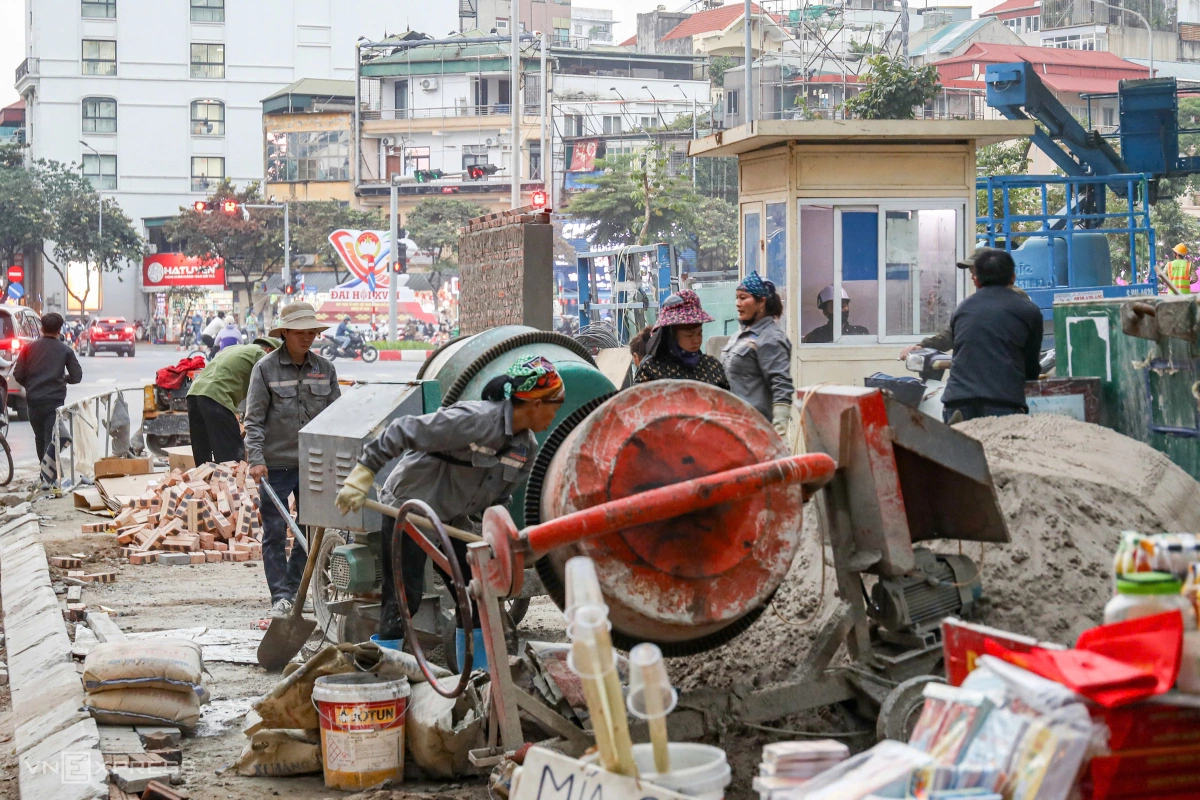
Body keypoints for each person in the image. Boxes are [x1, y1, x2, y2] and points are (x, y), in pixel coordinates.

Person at [335, 356, 564, 671]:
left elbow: (496, 501)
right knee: (404, 598)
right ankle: (378, 676)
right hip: (411, 508)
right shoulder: (474, 420)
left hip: (453, 520)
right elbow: (402, 430)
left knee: (476, 594)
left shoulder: (525, 449)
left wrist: (500, 538)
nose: (557, 411)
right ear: (535, 403)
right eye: (556, 402)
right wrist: (362, 473)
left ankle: (479, 678)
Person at [243, 303, 341, 618]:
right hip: (275, 465)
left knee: (311, 529)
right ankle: (280, 597)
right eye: (300, 332)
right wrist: (255, 459)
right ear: (284, 333)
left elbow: (338, 417)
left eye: (311, 332)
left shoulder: (325, 369)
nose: (307, 338)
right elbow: (254, 420)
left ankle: (295, 590)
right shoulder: (265, 369)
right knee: (274, 530)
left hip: (313, 464)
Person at [940, 248, 1043, 424]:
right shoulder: (1028, 310)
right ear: (1013, 278)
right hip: (1003, 402)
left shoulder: (962, 309)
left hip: (957, 400)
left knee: (961, 449)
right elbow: (1031, 366)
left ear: (977, 280)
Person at [899, 247, 1032, 360]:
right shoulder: (974, 304)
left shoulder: (1014, 298)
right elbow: (952, 334)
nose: (972, 277)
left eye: (976, 272)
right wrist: (923, 346)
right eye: (972, 272)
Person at [187, 336, 281, 465]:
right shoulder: (262, 355)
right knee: (231, 457)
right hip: (216, 396)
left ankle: (204, 482)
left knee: (203, 454)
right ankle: (231, 484)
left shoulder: (234, 349)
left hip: (194, 393)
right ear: (269, 350)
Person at [722, 273, 794, 435]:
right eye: (736, 298)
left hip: (756, 432)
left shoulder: (771, 338)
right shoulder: (739, 336)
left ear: (761, 302)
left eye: (743, 298)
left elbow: (781, 386)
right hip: (735, 429)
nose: (737, 304)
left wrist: (779, 434)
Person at [13, 313, 83, 477]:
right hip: (54, 401)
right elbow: (77, 376)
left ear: (41, 328)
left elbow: (18, 374)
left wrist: (31, 385)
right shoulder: (65, 350)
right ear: (59, 330)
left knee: (39, 437)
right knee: (50, 438)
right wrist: (62, 379)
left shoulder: (28, 348)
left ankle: (45, 474)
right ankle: (47, 477)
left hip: (34, 400)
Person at [634, 291, 729, 389]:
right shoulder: (650, 370)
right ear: (671, 336)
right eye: (689, 335)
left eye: (699, 333)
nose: (697, 340)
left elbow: (727, 401)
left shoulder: (712, 367)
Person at [802, 285, 870, 343]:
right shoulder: (816, 336)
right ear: (825, 312)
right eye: (834, 307)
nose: (840, 310)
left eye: (843, 306)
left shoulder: (861, 332)